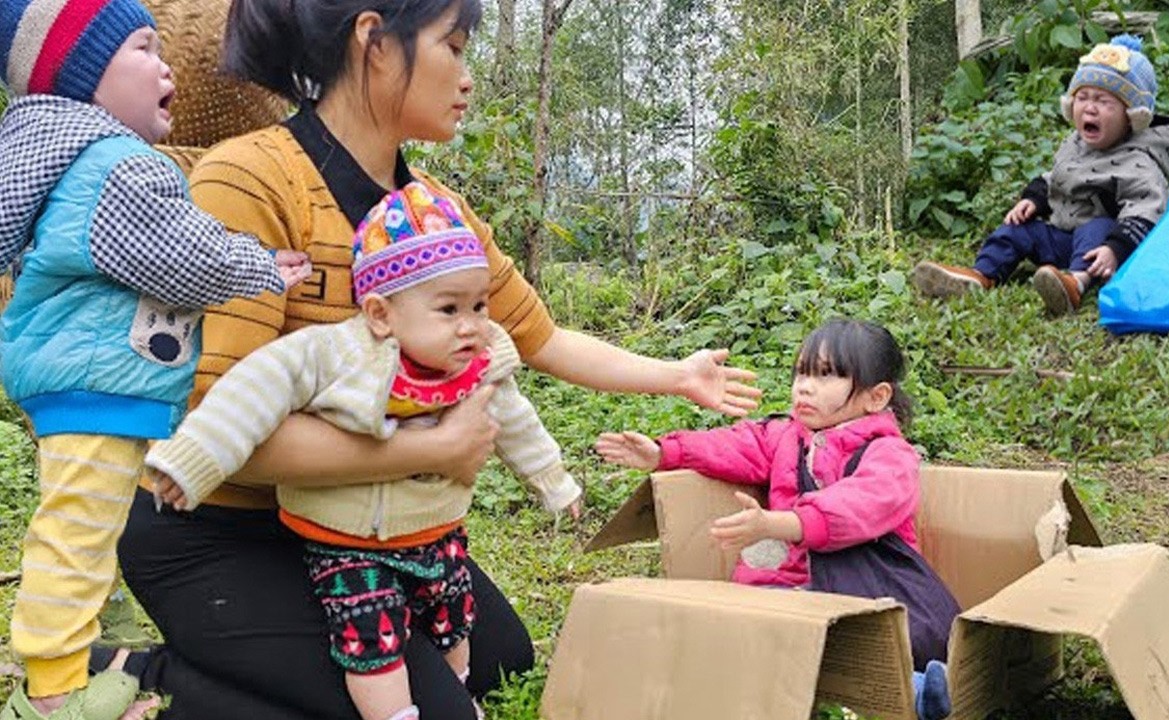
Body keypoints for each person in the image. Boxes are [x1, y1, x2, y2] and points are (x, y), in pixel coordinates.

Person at [110, 1, 761, 718]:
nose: (467, 77)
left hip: (353, 520)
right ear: (374, 41)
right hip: (215, 530)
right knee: (427, 707)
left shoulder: (434, 214)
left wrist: (677, 375)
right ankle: (148, 676)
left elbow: (540, 339)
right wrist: (434, 446)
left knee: (500, 654)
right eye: (452, 46)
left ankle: (230, 665)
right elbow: (221, 425)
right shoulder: (251, 181)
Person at [146, 181, 584, 720]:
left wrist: (553, 481)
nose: (471, 324)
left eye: (478, 304)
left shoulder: (479, 358)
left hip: (438, 533)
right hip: (347, 543)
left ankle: (457, 688)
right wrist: (192, 462)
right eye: (448, 309)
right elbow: (248, 394)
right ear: (380, 314)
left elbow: (517, 422)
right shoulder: (332, 355)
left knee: (454, 619)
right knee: (371, 646)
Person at [0, 0, 311, 717]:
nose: (166, 62)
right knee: (76, 536)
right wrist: (257, 265)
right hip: (95, 385)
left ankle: (75, 665)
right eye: (143, 48)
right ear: (81, 77)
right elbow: (181, 255)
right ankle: (51, 697)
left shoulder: (75, 159)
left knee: (87, 525)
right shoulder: (117, 167)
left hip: (92, 384)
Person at [596, 319, 958, 720]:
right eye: (801, 372)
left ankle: (921, 692)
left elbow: (860, 505)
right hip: (786, 588)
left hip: (865, 590)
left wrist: (780, 524)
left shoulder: (889, 455)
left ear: (877, 397)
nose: (804, 386)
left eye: (826, 375)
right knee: (752, 629)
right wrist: (663, 452)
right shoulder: (785, 436)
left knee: (856, 651)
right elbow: (732, 444)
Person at [912, 35, 1169, 317]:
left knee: (1097, 227)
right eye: (1082, 97)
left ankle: (1075, 284)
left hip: (1101, 252)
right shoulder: (1077, 144)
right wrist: (1034, 200)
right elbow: (1056, 177)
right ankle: (980, 275)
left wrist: (1115, 250)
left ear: (1131, 114)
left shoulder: (1139, 161)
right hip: (1061, 237)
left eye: (1104, 101)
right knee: (1016, 229)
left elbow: (1146, 208)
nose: (1090, 107)